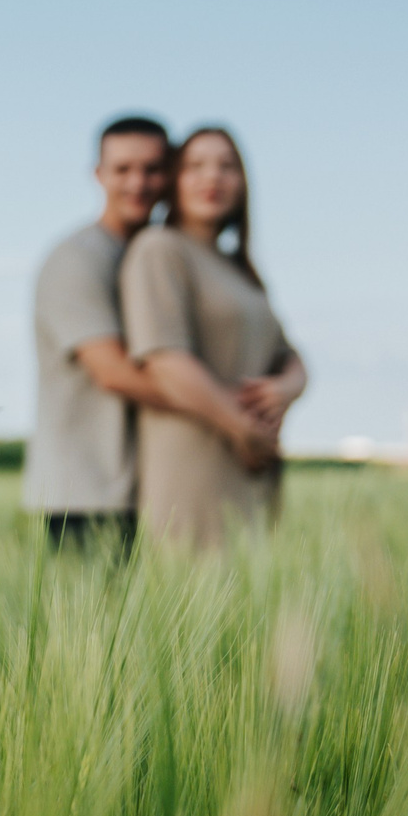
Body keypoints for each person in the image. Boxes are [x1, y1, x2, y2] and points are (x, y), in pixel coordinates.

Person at [120, 125, 305, 550]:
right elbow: (164, 360)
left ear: (243, 183)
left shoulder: (240, 270)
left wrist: (286, 388)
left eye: (227, 166)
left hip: (251, 464)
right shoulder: (159, 249)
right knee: (190, 577)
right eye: (195, 166)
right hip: (192, 461)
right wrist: (243, 429)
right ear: (174, 180)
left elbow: (289, 354)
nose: (213, 177)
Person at [23, 115, 177, 553]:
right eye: (123, 169)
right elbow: (113, 372)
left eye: (152, 169)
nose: (138, 183)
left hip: (150, 488)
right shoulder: (76, 259)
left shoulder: (162, 256)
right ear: (98, 174)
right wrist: (228, 418)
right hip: (86, 492)